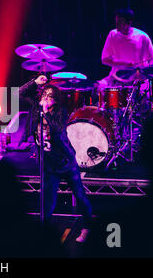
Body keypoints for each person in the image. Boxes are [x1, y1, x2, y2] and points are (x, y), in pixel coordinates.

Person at [20, 75, 93, 242]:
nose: (46, 98)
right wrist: (34, 82)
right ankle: (44, 231)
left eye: (50, 96)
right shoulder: (35, 108)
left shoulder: (61, 112)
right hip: (48, 165)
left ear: (56, 100)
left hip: (66, 163)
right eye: (44, 95)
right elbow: (20, 93)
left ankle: (87, 228)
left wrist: (45, 113)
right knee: (48, 201)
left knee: (80, 196)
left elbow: (58, 130)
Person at [98, 8, 153, 97]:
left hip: (137, 80)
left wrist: (144, 73)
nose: (117, 24)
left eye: (120, 22)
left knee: (141, 102)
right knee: (99, 86)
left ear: (129, 22)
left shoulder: (142, 37)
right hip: (116, 78)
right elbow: (104, 60)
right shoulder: (112, 34)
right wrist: (123, 63)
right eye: (116, 21)